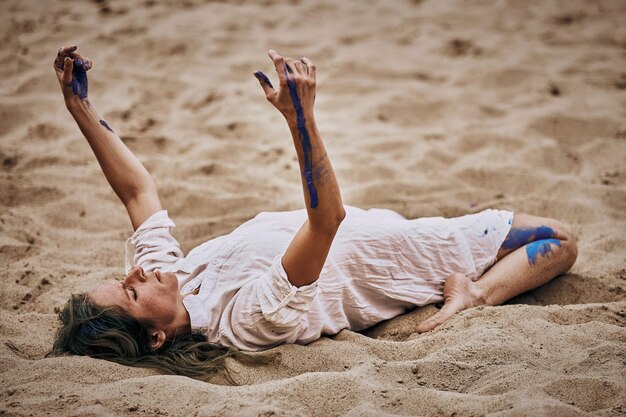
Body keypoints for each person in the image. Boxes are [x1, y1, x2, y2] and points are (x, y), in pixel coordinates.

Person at [49, 46, 578, 383]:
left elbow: (138, 193)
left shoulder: (177, 279)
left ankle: (476, 285)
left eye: (123, 279)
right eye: (133, 293)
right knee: (559, 238)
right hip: (405, 256)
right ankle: (477, 292)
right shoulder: (246, 320)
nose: (136, 273)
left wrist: (80, 109)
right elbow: (327, 220)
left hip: (381, 226)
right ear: (158, 336)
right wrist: (300, 119)